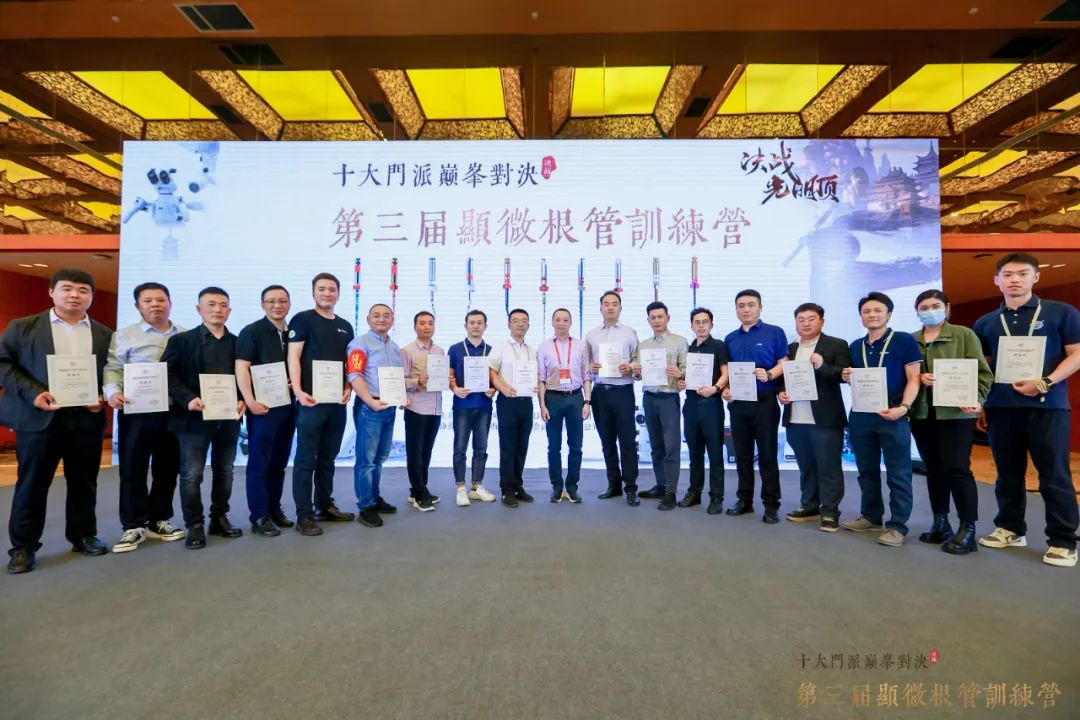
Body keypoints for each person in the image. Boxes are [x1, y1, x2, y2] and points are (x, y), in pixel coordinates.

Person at [1, 269, 113, 574]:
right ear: (52, 292)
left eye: (83, 290)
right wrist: (33, 393)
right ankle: (23, 547)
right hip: (39, 418)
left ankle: (83, 535)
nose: (74, 295)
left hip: (86, 420)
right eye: (67, 288)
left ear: (91, 296)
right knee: (32, 484)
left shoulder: (104, 334)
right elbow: (3, 364)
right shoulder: (23, 327)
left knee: (84, 482)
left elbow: (111, 373)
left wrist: (102, 395)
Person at [973, 253, 1080, 568]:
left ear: (1036, 277)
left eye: (1022, 273)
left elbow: (1076, 354)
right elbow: (984, 367)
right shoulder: (986, 322)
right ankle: (1010, 528)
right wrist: (982, 401)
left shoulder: (1061, 312)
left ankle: (1063, 541)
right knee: (1007, 473)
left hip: (1048, 406)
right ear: (997, 280)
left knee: (1054, 474)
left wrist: (1045, 382)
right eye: (1007, 275)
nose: (1015, 280)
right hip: (1001, 408)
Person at [103, 282, 186, 553]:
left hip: (173, 411)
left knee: (168, 468)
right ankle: (133, 525)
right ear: (138, 306)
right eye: (148, 301)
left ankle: (159, 520)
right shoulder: (125, 335)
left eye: (161, 300)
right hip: (136, 411)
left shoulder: (185, 334)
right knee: (132, 468)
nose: (155, 305)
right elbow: (114, 368)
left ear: (170, 303)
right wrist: (113, 392)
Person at [162, 286, 246, 550]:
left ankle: (219, 518)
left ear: (229, 310)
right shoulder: (181, 341)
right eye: (211, 304)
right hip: (192, 419)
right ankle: (195, 524)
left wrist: (244, 398)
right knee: (191, 474)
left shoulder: (239, 343)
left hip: (228, 418)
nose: (217, 310)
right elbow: (167, 374)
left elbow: (245, 377)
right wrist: (187, 398)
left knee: (225, 470)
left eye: (223, 305)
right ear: (199, 309)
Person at [909, 289, 992, 555]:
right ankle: (940, 522)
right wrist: (919, 378)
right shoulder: (911, 340)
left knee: (958, 468)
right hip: (923, 414)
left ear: (947, 308)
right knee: (933, 469)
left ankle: (968, 529)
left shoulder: (963, 335)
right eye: (924, 307)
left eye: (935, 305)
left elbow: (983, 373)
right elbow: (905, 375)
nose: (930, 311)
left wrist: (977, 398)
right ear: (917, 311)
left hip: (956, 414)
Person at [841, 291, 922, 547]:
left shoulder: (903, 340)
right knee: (866, 470)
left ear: (889, 314)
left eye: (878, 310)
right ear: (861, 316)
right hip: (861, 415)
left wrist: (904, 407)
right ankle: (871, 516)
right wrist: (846, 375)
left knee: (898, 473)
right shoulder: (856, 346)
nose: (872, 315)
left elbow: (914, 378)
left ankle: (897, 525)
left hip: (893, 414)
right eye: (866, 311)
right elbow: (854, 378)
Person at [287, 273, 355, 537]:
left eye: (332, 289)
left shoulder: (345, 326)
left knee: (328, 457)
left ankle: (324, 505)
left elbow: (348, 363)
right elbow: (293, 356)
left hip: (336, 403)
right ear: (313, 292)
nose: (327, 293)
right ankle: (304, 515)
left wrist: (348, 386)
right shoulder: (302, 319)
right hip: (311, 401)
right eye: (322, 289)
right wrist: (298, 391)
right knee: (306, 459)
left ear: (338, 293)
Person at [777, 303, 851, 532]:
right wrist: (781, 392)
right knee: (806, 466)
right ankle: (809, 506)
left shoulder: (836, 344)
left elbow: (845, 375)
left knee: (829, 467)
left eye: (811, 319)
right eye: (801, 320)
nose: (806, 323)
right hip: (796, 418)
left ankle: (830, 511)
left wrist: (822, 365)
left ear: (822, 321)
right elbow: (782, 376)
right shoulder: (790, 348)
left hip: (825, 419)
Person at [235, 284, 296, 538]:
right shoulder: (252, 331)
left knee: (279, 462)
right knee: (259, 463)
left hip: (288, 406)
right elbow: (242, 367)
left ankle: (274, 509)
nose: (277, 305)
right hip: (262, 408)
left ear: (289, 304)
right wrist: (249, 400)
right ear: (263, 305)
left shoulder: (293, 332)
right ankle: (259, 515)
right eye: (271, 301)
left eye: (282, 301)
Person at [722, 289, 788, 523]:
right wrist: (726, 389)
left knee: (768, 455)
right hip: (739, 404)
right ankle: (745, 500)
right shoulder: (730, 338)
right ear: (736, 309)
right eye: (741, 305)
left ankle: (771, 505)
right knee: (742, 455)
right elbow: (727, 371)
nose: (746, 309)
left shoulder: (775, 332)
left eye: (751, 305)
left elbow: (784, 363)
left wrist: (769, 374)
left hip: (765, 402)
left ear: (760, 307)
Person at [347, 303, 405, 528]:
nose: (382, 319)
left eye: (386, 315)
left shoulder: (394, 347)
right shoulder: (360, 343)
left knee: (380, 457)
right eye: (376, 315)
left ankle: (374, 496)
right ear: (368, 319)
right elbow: (354, 374)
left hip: (389, 407)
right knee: (366, 461)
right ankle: (366, 506)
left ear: (392, 319)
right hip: (369, 406)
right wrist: (370, 401)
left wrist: (402, 396)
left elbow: (395, 378)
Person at [585, 291, 641, 506]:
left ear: (620, 308)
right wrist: (591, 368)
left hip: (623, 391)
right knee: (607, 442)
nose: (610, 307)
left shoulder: (630, 333)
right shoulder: (591, 335)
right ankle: (613, 485)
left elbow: (638, 361)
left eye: (614, 304)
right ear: (600, 308)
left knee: (627, 441)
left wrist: (631, 367)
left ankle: (631, 488)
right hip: (600, 393)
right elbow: (585, 366)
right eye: (606, 304)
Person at [633, 302, 688, 510]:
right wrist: (636, 372)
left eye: (660, 317)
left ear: (668, 318)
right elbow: (637, 373)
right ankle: (661, 485)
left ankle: (671, 492)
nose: (657, 320)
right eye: (653, 318)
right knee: (656, 446)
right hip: (649, 398)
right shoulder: (644, 345)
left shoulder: (679, 341)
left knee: (671, 446)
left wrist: (680, 374)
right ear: (648, 321)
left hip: (668, 398)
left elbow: (687, 370)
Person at [677, 307, 729, 515]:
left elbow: (726, 373)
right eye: (697, 322)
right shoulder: (688, 349)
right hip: (690, 404)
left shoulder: (719, 346)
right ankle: (694, 492)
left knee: (715, 453)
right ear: (691, 326)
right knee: (694, 452)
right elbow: (683, 377)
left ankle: (716, 497)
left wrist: (715, 388)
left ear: (711, 324)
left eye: (704, 322)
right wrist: (681, 383)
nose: (701, 326)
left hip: (711, 404)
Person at [538, 309, 592, 503]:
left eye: (565, 320)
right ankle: (556, 486)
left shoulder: (580, 346)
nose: (561, 323)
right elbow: (541, 379)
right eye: (558, 320)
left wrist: (587, 402)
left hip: (575, 398)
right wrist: (542, 405)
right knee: (554, 446)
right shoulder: (544, 347)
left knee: (576, 446)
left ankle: (572, 486)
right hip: (552, 398)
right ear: (552, 322)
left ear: (571, 322)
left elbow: (587, 375)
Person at [446, 310, 498, 507]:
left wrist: (493, 390)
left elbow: (495, 378)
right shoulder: (455, 349)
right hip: (463, 405)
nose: (476, 326)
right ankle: (461, 488)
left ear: (485, 326)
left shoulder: (491, 350)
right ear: (466, 325)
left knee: (481, 448)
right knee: (460, 448)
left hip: (484, 405)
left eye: (479, 323)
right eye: (472, 322)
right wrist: (455, 389)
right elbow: (449, 375)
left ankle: (477, 487)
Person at [489, 308, 538, 508]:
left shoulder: (532, 350)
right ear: (509, 324)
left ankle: (518, 486)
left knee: (521, 446)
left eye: (524, 320)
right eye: (516, 320)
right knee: (508, 447)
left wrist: (535, 386)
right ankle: (507, 490)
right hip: (507, 402)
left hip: (526, 402)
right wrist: (502, 388)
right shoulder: (500, 346)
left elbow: (535, 375)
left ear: (528, 325)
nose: (520, 324)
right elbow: (491, 371)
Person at [401, 311, 446, 512]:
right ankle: (420, 494)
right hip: (416, 407)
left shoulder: (439, 351)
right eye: (422, 323)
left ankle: (418, 490)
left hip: (435, 408)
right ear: (415, 327)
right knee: (415, 453)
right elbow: (400, 380)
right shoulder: (407, 351)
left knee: (426, 451)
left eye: (430, 323)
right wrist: (416, 381)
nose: (427, 327)